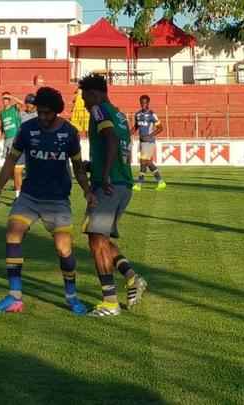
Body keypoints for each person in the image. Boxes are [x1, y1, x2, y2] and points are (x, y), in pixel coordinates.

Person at [0, 87, 95, 315]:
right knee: (12, 233)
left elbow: (77, 167)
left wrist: (87, 191)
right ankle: (14, 297)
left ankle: (71, 297)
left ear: (56, 111)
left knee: (63, 249)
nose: (43, 117)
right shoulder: (27, 129)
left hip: (57, 200)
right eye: (40, 112)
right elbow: (11, 160)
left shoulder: (70, 133)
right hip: (29, 196)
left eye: (48, 113)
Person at [79, 73, 148, 317]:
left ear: (96, 94)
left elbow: (109, 140)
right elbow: (118, 147)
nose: (85, 104)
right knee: (102, 238)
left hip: (109, 184)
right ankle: (131, 278)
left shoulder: (99, 111)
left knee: (96, 240)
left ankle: (110, 302)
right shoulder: (118, 114)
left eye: (85, 98)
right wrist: (96, 166)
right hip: (123, 184)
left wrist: (104, 174)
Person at [132, 95, 166, 191]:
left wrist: (150, 135)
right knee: (148, 162)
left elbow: (160, 128)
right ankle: (160, 181)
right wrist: (128, 133)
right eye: (141, 102)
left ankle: (139, 184)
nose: (143, 104)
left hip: (149, 142)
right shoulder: (137, 114)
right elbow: (136, 127)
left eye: (145, 103)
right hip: (142, 141)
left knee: (143, 162)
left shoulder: (152, 115)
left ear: (148, 103)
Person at [0, 92, 25, 198]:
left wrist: (12, 97)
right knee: (7, 164)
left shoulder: (14, 108)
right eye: (3, 99)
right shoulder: (2, 112)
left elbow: (22, 103)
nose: (5, 101)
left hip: (15, 138)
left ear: (9, 100)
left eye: (6, 99)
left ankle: (18, 188)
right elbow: (2, 125)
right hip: (6, 140)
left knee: (14, 165)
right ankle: (16, 183)